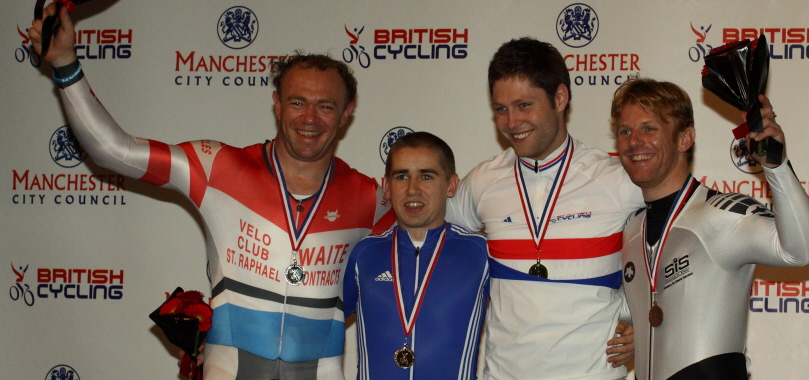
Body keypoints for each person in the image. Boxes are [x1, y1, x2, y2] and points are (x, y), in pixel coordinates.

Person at [30, 4, 390, 379]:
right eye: (297, 102)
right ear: (277, 104)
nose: (310, 118)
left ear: (347, 113)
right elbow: (114, 151)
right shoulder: (219, 168)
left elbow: (428, 252)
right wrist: (65, 63)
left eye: (325, 106)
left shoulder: (372, 198)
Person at [447, 37, 642, 380]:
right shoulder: (483, 182)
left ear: (560, 98)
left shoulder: (616, 179)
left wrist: (648, 322)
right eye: (501, 109)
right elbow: (423, 241)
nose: (511, 122)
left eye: (524, 105)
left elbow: (687, 242)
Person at [610, 78, 809, 379]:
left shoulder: (722, 214)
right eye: (625, 131)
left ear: (685, 139)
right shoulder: (632, 230)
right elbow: (643, 306)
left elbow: (803, 250)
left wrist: (775, 164)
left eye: (649, 128)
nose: (634, 142)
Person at [343, 132, 489, 379]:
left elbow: (518, 326)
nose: (413, 189)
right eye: (402, 176)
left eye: (426, 176)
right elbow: (324, 327)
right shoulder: (364, 253)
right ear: (387, 187)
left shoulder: (480, 253)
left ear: (451, 185)